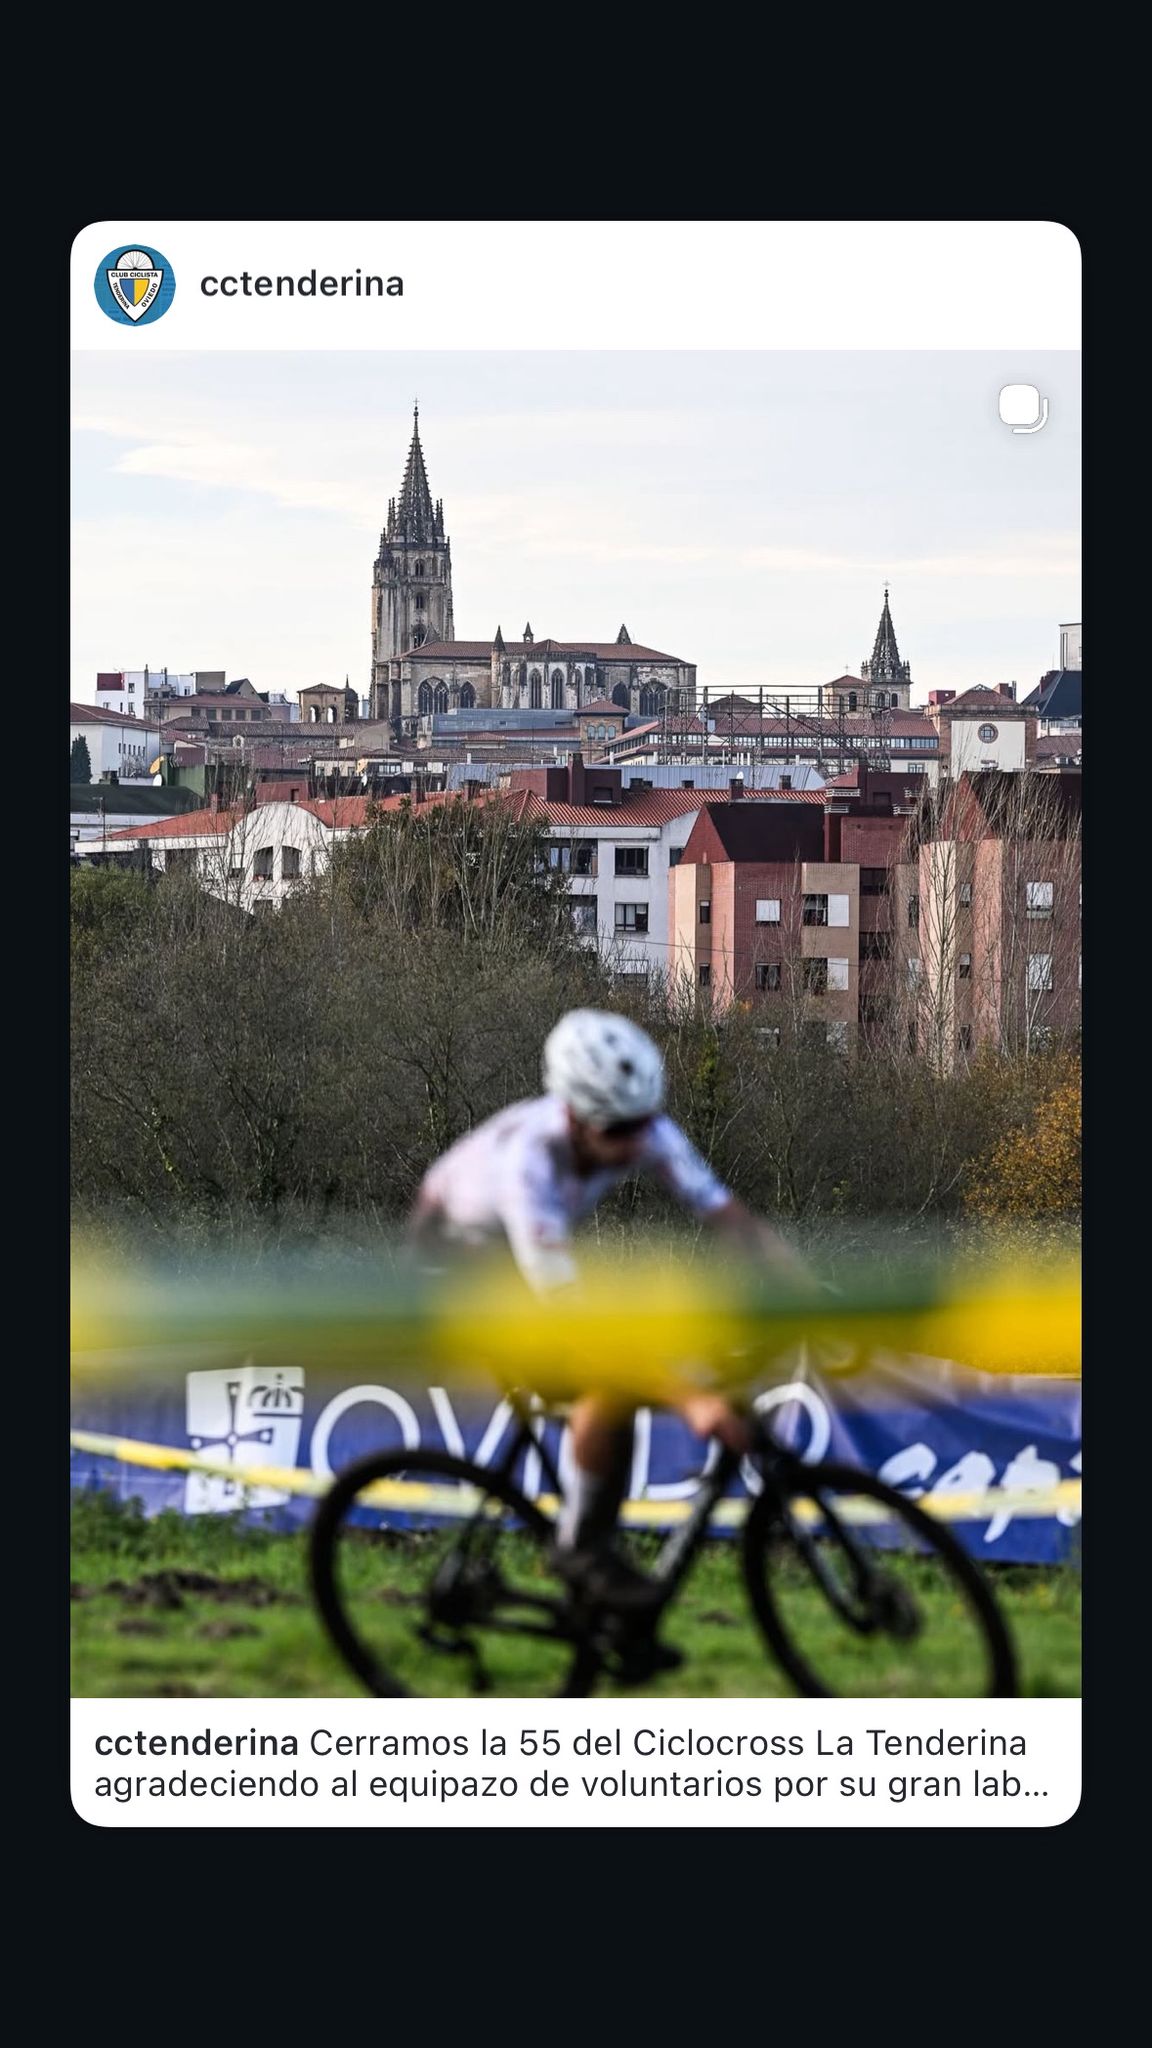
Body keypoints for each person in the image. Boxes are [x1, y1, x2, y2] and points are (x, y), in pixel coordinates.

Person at [408, 1008, 810, 1610]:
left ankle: (590, 1549)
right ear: (574, 1115)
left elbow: (728, 1217)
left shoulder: (639, 1125)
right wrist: (691, 1399)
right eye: (618, 1132)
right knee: (608, 1382)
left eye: (642, 1126)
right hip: (453, 1273)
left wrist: (808, 1293)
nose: (634, 1145)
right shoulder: (529, 1164)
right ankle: (581, 1551)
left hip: (521, 1263)